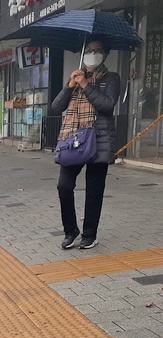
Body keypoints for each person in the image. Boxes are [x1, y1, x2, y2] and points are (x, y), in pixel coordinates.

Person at [52, 35, 120, 250]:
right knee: (64, 186)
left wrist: (87, 85)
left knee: (94, 190)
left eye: (97, 50)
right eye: (88, 50)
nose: (92, 54)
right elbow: (56, 107)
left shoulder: (111, 78)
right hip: (73, 139)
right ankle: (70, 230)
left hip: (98, 140)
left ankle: (90, 234)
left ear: (105, 54)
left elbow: (107, 105)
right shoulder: (76, 78)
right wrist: (71, 85)